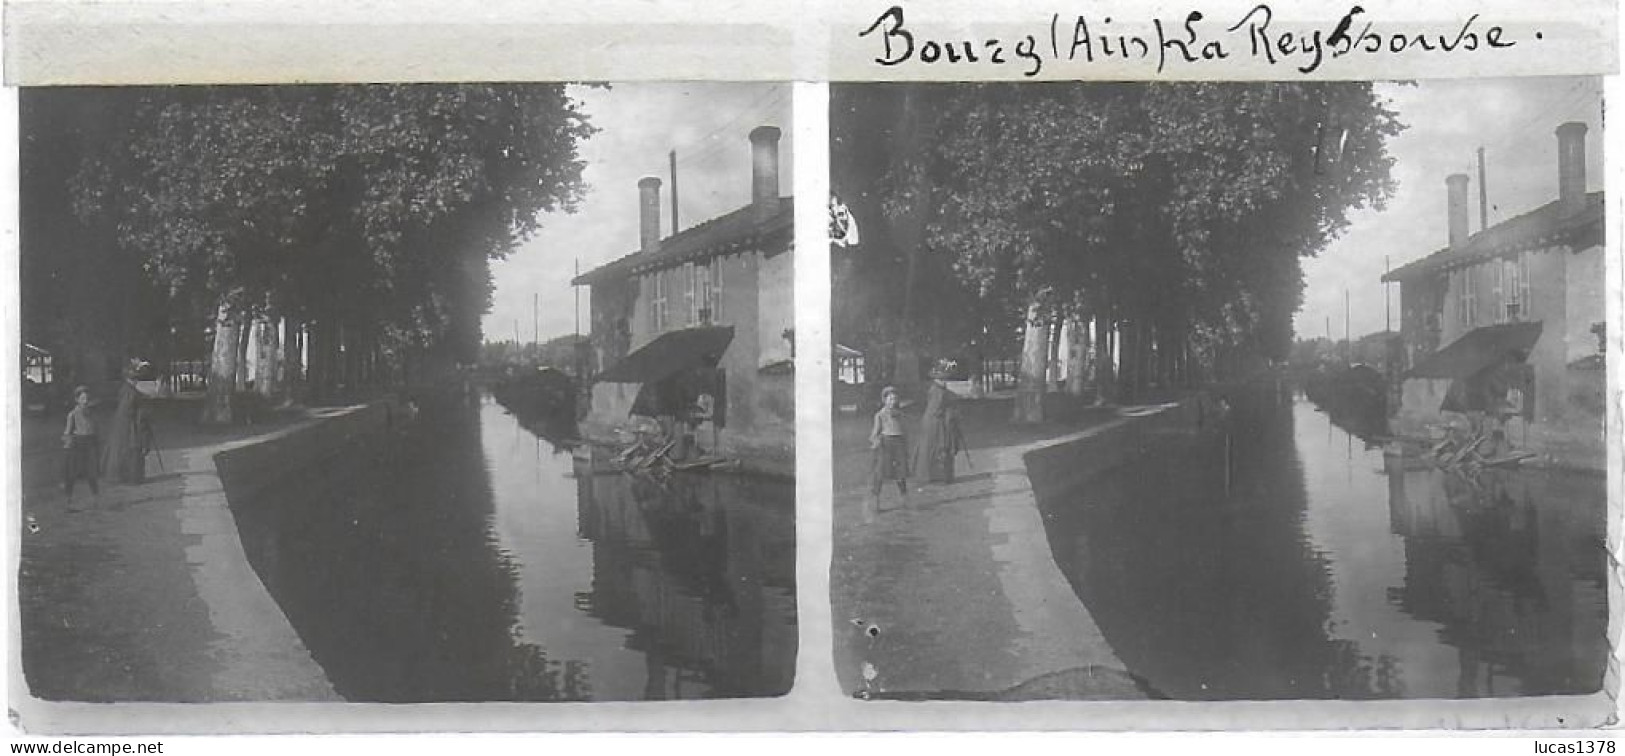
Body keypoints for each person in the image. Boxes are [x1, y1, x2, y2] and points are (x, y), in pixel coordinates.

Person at [912, 359, 961, 485]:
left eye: (945, 377)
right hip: (936, 423)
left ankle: (941, 475)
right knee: (939, 446)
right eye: (942, 377)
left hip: (938, 421)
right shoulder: (936, 391)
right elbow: (935, 409)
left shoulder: (941, 389)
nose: (944, 380)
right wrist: (950, 412)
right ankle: (936, 476)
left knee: (941, 446)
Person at [102, 362, 146, 485]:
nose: (135, 381)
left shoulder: (127, 390)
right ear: (128, 378)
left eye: (136, 378)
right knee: (129, 448)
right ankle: (130, 477)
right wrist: (139, 417)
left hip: (124, 423)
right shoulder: (129, 392)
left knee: (125, 448)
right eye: (133, 379)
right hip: (128, 424)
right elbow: (128, 409)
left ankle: (127, 476)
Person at [870, 386, 908, 503]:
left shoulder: (900, 414)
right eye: (890, 399)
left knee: (901, 472)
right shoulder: (880, 415)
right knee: (880, 472)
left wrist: (906, 445)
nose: (892, 402)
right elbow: (875, 433)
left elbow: (904, 430)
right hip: (886, 444)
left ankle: (904, 498)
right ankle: (876, 499)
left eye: (894, 399)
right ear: (885, 400)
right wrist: (875, 442)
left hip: (899, 443)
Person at [61, 386, 99, 498]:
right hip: (77, 444)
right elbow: (67, 432)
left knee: (92, 472)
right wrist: (67, 445)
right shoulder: (72, 414)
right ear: (77, 400)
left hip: (90, 443)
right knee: (72, 473)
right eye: (82, 399)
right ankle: (68, 501)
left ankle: (96, 499)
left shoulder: (91, 413)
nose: (85, 401)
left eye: (87, 399)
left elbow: (94, 428)